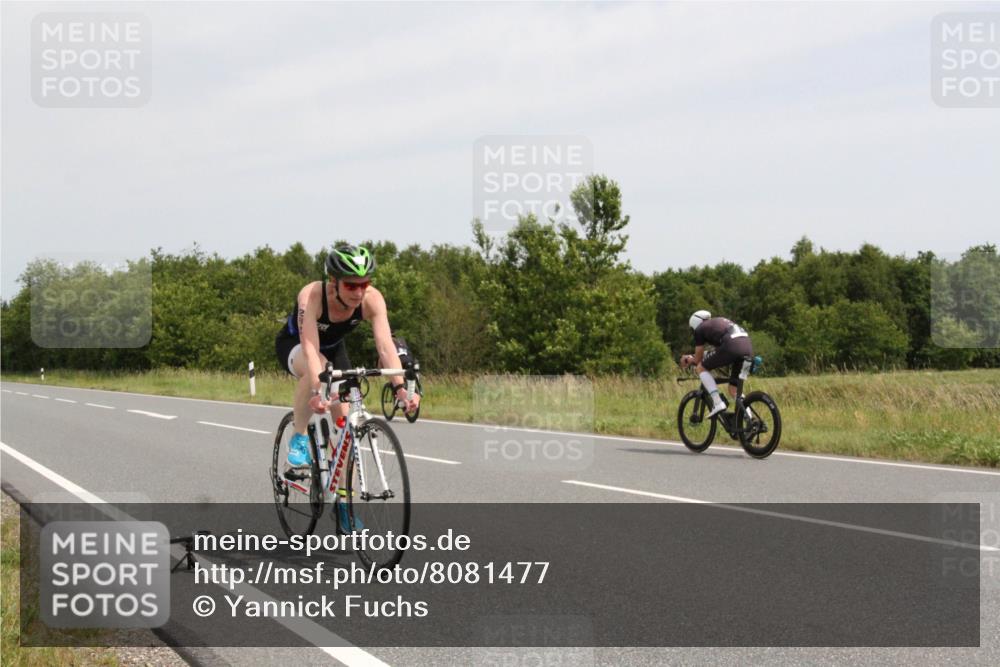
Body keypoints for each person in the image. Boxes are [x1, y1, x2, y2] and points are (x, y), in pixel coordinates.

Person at [275, 244, 420, 469]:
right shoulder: (312, 295)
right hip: (297, 345)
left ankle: (342, 497)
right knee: (321, 372)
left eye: (364, 284)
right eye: (351, 285)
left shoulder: (372, 299)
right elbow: (310, 350)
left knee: (346, 431)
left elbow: (385, 346)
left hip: (334, 349)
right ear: (334, 280)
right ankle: (299, 438)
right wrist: (317, 391)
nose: (359, 292)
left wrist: (399, 388)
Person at [679, 310, 753, 418]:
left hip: (731, 347)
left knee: (701, 368)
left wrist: (690, 360)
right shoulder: (717, 324)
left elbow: (698, 360)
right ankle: (749, 421)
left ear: (695, 323)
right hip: (747, 349)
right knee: (734, 390)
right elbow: (714, 353)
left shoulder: (700, 329)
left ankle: (717, 402)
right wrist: (694, 357)